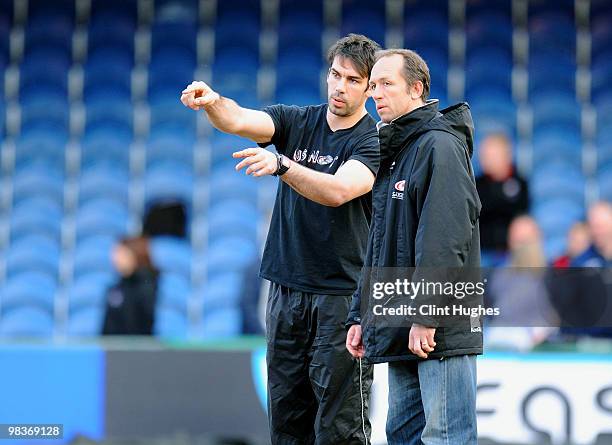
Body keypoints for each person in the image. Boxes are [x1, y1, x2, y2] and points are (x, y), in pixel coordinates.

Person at [180, 34, 381, 444]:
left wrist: (281, 165)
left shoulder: (373, 139)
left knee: (340, 428)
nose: (339, 86)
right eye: (335, 75)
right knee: (287, 423)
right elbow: (238, 119)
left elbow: (339, 190)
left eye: (353, 80)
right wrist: (213, 101)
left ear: (369, 88)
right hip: (287, 291)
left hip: (341, 299)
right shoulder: (298, 120)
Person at [345, 49, 482, 444]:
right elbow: (380, 243)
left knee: (446, 436)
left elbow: (445, 236)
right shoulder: (398, 152)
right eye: (372, 87)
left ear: (417, 88)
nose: (376, 94)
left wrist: (426, 313)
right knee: (403, 436)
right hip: (402, 322)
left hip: (438, 325)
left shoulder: (440, 145)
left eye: (386, 84)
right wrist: (360, 314)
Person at [475, 133, 529, 264]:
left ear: (506, 155)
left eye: (492, 155)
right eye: (484, 155)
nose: (486, 159)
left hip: (511, 254)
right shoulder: (475, 184)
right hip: (481, 253)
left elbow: (519, 213)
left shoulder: (519, 183)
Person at [102, 236, 159, 335]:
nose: (115, 259)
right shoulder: (116, 288)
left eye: (121, 253)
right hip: (115, 348)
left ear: (135, 254)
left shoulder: (150, 285)